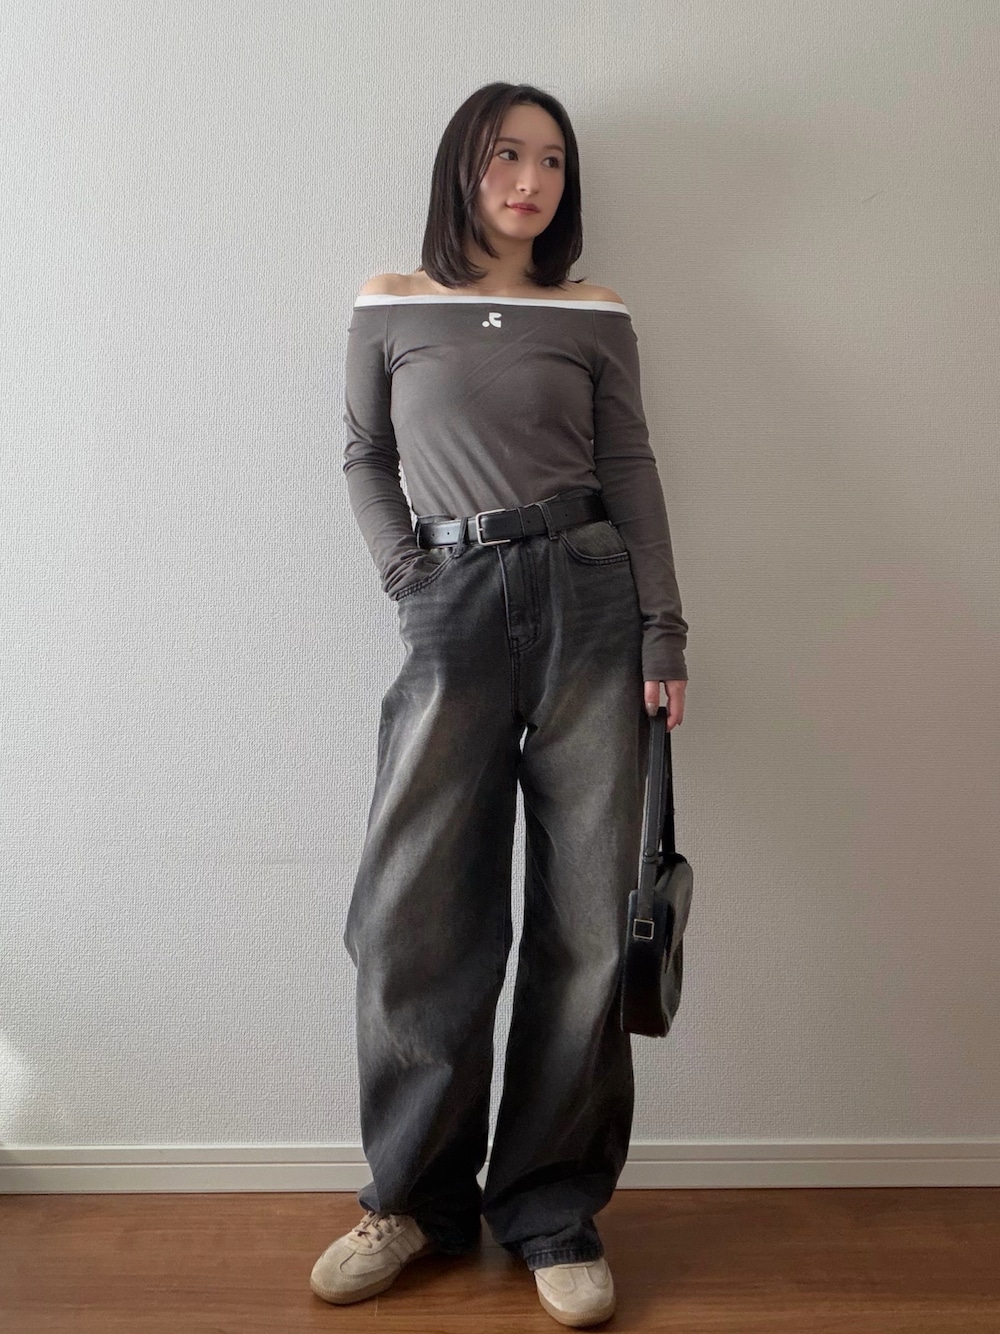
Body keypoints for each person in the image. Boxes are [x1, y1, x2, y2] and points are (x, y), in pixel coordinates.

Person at [310, 81, 689, 1328]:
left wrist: (664, 627)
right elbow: (365, 455)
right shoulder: (390, 301)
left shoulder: (594, 311)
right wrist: (408, 578)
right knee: (412, 914)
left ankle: (551, 1209)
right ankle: (415, 1200)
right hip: (451, 604)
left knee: (586, 920)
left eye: (552, 161)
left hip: (589, 598)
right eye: (506, 155)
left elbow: (629, 465)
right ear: (462, 167)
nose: (530, 181)